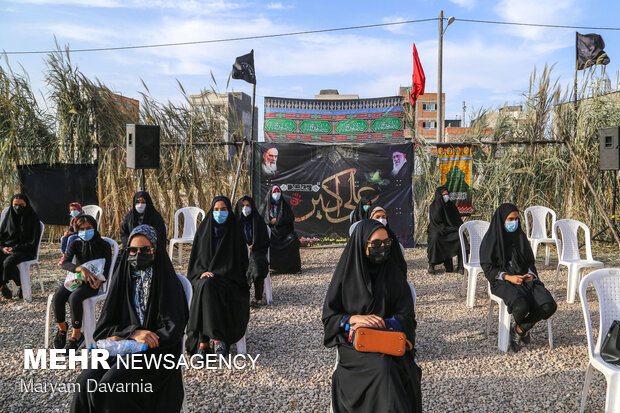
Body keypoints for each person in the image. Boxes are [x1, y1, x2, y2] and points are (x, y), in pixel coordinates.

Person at [70, 225, 188, 413]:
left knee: (112, 385)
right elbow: (104, 328)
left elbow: (173, 329)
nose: (138, 254)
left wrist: (145, 339)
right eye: (133, 250)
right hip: (122, 346)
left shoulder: (168, 282)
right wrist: (132, 334)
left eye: (145, 250)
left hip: (156, 352)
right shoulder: (123, 279)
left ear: (155, 251)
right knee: (85, 381)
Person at [323, 219, 422, 413]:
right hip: (355, 347)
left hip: (390, 340)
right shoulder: (346, 276)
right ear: (362, 244)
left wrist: (384, 324)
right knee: (383, 368)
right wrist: (353, 319)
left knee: (395, 369)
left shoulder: (393, 274)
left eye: (386, 243)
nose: (383, 248)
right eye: (376, 244)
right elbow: (330, 319)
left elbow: (407, 317)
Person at [480, 203, 557, 352]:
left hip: (524, 279)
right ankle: (523, 327)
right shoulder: (491, 240)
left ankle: (519, 329)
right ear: (502, 220)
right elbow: (488, 268)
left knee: (549, 305)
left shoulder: (520, 237)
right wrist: (509, 277)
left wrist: (531, 275)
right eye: (510, 219)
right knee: (521, 306)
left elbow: (529, 262)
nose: (514, 222)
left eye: (516, 219)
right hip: (502, 281)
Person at [186, 196, 249, 357]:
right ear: (211, 211)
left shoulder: (236, 233)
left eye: (223, 209)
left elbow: (241, 266)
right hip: (204, 278)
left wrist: (218, 273)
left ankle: (203, 342)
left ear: (229, 211)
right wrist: (202, 272)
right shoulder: (203, 232)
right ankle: (218, 340)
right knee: (205, 285)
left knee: (208, 287)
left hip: (229, 280)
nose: (219, 213)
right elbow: (195, 263)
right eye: (216, 210)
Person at [52, 215, 112, 350]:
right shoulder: (75, 243)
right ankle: (62, 329)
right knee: (58, 297)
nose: (85, 231)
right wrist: (79, 268)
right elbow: (65, 263)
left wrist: (101, 281)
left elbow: (107, 268)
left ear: (94, 228)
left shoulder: (104, 245)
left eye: (88, 228)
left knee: (75, 298)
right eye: (81, 229)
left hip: (93, 282)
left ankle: (77, 335)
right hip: (76, 279)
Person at [0, 194, 41, 300]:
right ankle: (6, 286)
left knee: (8, 261)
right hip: (8, 248)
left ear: (26, 204)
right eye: (15, 205)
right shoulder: (9, 217)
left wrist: (15, 249)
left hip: (26, 250)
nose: (18, 207)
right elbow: (1, 236)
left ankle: (3, 285)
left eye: (21, 205)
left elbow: (32, 242)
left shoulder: (32, 218)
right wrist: (2, 248)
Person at [235, 196, 270, 306]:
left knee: (256, 263)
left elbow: (264, 241)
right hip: (238, 252)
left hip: (256, 251)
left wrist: (253, 246)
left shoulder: (258, 221)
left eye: (248, 206)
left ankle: (258, 298)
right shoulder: (235, 223)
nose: (245, 208)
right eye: (243, 206)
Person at [259, 185, 301, 274]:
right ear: (270, 193)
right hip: (271, 232)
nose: (276, 194)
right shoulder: (265, 206)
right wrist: (269, 221)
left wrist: (278, 220)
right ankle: (268, 267)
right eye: (274, 192)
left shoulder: (284, 205)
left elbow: (290, 217)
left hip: (284, 233)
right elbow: (260, 219)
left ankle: (292, 267)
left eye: (278, 192)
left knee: (293, 239)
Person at [427, 186, 464, 274]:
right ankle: (432, 264)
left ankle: (461, 265)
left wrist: (456, 228)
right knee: (435, 238)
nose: (446, 197)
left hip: (450, 228)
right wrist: (440, 206)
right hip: (436, 228)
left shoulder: (451, 206)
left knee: (461, 238)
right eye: (443, 195)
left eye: (447, 194)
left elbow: (457, 220)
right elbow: (435, 221)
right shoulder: (434, 206)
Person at [369, 206, 407, 274]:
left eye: (383, 217)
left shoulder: (390, 235)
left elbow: (398, 258)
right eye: (377, 217)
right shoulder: (367, 235)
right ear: (370, 218)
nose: (381, 219)